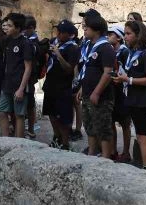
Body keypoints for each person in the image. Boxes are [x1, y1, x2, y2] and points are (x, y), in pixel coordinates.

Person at [115, 19, 146, 171]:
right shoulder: (131, 53)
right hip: (133, 99)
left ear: (138, 35)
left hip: (143, 101)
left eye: (128, 34)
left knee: (142, 137)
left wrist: (128, 79)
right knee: (139, 136)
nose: (125, 37)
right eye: (125, 33)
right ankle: (145, 166)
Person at [76, 10, 115, 158]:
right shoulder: (89, 46)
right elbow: (87, 70)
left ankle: (106, 156)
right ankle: (92, 152)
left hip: (101, 96)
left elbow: (107, 73)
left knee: (102, 126)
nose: (84, 29)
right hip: (87, 92)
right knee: (89, 125)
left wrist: (97, 92)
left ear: (97, 30)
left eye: (87, 27)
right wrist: (81, 88)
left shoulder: (105, 48)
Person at [42, 20, 80, 150]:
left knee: (63, 116)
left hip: (63, 86)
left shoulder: (73, 48)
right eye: (58, 30)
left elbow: (69, 68)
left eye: (61, 32)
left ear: (69, 35)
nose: (58, 34)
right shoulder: (55, 42)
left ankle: (65, 143)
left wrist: (58, 55)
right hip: (50, 83)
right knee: (51, 113)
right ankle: (56, 137)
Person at [0, 13, 33, 138]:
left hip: (19, 85)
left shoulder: (25, 43)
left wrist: (21, 89)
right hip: (7, 83)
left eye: (10, 26)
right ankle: (6, 139)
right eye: (6, 25)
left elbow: (28, 67)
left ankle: (19, 143)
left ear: (18, 28)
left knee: (19, 115)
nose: (7, 28)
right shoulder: (7, 41)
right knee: (1, 111)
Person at [107, 24, 132, 162]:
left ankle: (126, 152)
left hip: (122, 92)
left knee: (125, 123)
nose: (108, 36)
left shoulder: (124, 52)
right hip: (112, 91)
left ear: (118, 37)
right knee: (111, 122)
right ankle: (113, 150)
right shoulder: (111, 51)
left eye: (111, 34)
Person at [23, 15, 42, 139]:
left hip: (30, 77)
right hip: (21, 76)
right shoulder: (25, 39)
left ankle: (31, 128)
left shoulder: (34, 42)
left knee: (30, 103)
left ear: (31, 28)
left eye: (25, 29)